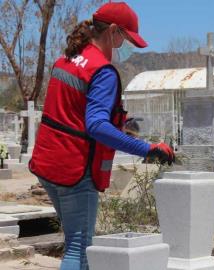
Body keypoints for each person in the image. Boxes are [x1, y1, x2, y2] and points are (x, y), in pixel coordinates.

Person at [28, 2, 174, 270]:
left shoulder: (68, 58)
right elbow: (95, 125)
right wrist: (148, 148)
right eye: (126, 39)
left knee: (75, 240)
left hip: (48, 163)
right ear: (113, 31)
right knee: (78, 249)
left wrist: (122, 123)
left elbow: (72, 110)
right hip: (75, 169)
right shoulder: (102, 70)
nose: (125, 47)